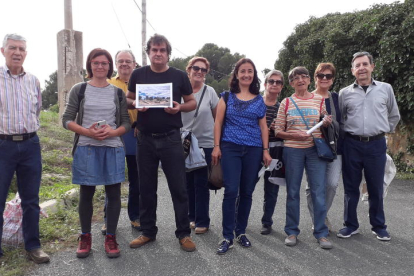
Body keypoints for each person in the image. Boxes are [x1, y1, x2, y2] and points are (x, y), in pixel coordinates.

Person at [126, 34, 197, 252]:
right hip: (144, 139)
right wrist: (136, 102)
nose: (158, 53)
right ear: (148, 52)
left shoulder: (178, 76)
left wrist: (179, 108)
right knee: (146, 188)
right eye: (154, 50)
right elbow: (127, 98)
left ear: (168, 53)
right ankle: (148, 232)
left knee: (178, 188)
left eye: (162, 50)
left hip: (171, 139)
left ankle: (183, 234)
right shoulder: (138, 74)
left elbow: (191, 102)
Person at [62, 48, 131, 258]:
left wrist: (113, 132)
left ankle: (110, 237)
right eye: (95, 63)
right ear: (89, 66)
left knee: (113, 194)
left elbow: (126, 123)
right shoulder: (79, 89)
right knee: (87, 194)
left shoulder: (117, 92)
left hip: (112, 149)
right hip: (86, 148)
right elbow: (66, 119)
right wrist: (87, 132)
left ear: (110, 66)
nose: (100, 66)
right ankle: (85, 236)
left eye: (104, 63)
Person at [338, 51, 400, 241]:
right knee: (350, 188)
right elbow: (340, 120)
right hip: (352, 144)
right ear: (352, 70)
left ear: (372, 66)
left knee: (375, 187)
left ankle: (379, 225)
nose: (361, 68)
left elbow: (393, 115)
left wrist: (380, 131)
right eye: (357, 65)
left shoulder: (385, 89)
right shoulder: (344, 93)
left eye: (365, 64)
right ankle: (350, 225)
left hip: (376, 145)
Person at [212, 58, 272, 255]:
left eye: (250, 71)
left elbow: (263, 127)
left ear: (254, 75)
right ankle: (227, 236)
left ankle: (241, 232)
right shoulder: (226, 97)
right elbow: (218, 123)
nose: (246, 74)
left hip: (254, 150)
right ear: (236, 74)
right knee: (231, 191)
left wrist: (265, 150)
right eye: (243, 71)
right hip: (231, 148)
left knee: (246, 192)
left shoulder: (259, 99)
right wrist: (217, 146)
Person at [0, 33, 50, 264]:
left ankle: (33, 246)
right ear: (3, 51)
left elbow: (37, 109)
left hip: (30, 144)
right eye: (12, 48)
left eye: (21, 49)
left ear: (26, 54)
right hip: (3, 145)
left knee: (30, 199)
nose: (17, 52)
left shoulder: (34, 81)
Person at [274, 66, 333, 249]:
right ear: (291, 83)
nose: (300, 80)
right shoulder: (286, 102)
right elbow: (278, 131)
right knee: (292, 192)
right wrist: (294, 136)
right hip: (293, 150)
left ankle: (321, 233)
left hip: (315, 151)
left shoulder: (320, 100)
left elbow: (323, 122)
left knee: (318, 191)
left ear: (309, 80)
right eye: (296, 78)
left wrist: (327, 121)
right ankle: (291, 231)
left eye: (304, 77)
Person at [101, 49, 141, 234]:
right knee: (112, 179)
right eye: (121, 61)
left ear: (134, 63)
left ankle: (135, 216)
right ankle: (108, 220)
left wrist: (142, 123)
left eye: (128, 61)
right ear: (116, 64)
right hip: (114, 135)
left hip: (135, 134)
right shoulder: (108, 83)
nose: (124, 64)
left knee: (136, 179)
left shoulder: (142, 83)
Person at [182, 57, 219, 234]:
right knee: (187, 183)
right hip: (184, 144)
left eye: (203, 70)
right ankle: (192, 216)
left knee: (201, 183)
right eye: (196, 68)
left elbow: (218, 119)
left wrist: (219, 145)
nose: (199, 72)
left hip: (205, 143)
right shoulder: (179, 91)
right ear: (189, 69)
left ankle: (203, 220)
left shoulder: (210, 91)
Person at [305, 63, 342, 232]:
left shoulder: (336, 98)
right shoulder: (308, 98)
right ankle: (318, 221)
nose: (324, 79)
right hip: (313, 147)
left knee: (332, 184)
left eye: (328, 76)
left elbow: (343, 123)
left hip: (335, 149)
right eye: (321, 76)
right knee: (313, 185)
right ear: (315, 78)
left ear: (332, 79)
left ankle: (321, 214)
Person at [260, 70, 285, 235]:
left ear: (281, 87)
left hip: (276, 148)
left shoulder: (284, 107)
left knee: (272, 189)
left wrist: (279, 129)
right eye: (271, 81)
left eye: (278, 82)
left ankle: (267, 222)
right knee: (245, 187)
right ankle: (238, 219)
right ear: (265, 84)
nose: (274, 84)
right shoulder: (255, 103)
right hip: (255, 148)